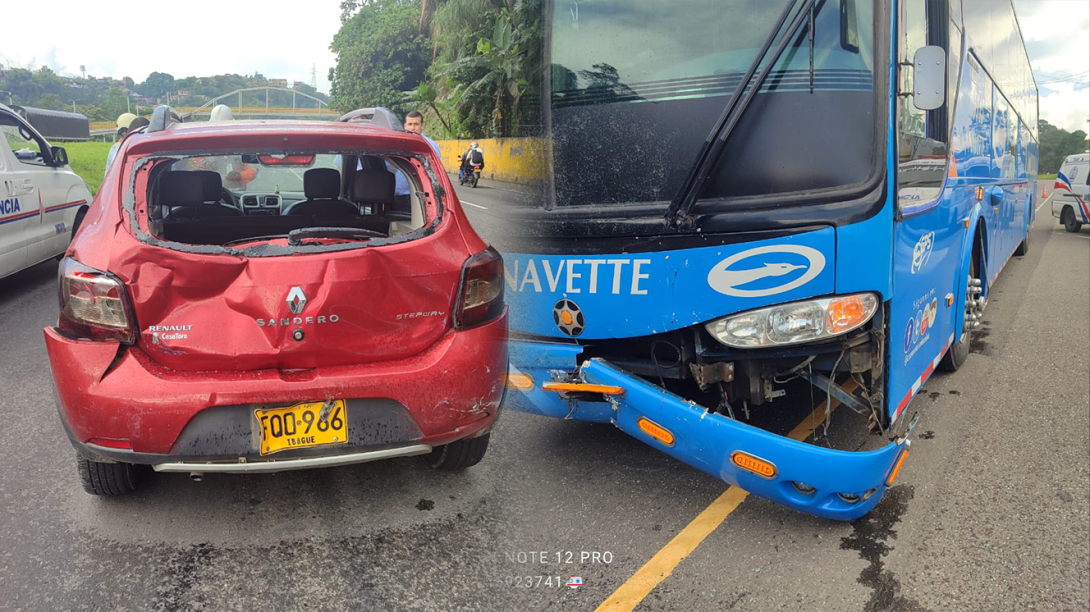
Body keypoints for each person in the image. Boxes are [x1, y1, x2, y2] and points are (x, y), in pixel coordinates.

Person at [392, 111, 441, 214]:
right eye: (410, 124)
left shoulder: (429, 146)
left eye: (416, 124)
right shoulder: (399, 143)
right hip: (398, 196)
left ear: (422, 126)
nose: (412, 128)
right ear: (405, 126)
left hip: (418, 196)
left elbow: (434, 172)